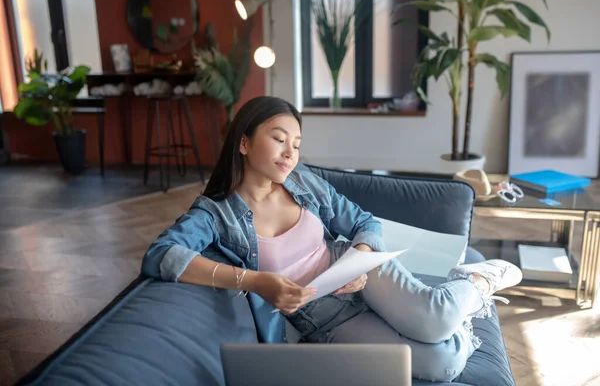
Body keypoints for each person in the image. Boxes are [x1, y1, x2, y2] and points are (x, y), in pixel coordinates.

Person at [141, 96, 523, 382]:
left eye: (296, 143)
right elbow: (161, 256)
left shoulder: (302, 181)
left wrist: (360, 253)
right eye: (278, 139)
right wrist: (254, 281)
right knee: (442, 364)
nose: (290, 153)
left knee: (436, 321)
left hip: (358, 271)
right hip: (322, 317)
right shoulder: (215, 213)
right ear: (243, 143)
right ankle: (464, 310)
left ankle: (476, 280)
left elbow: (363, 221)